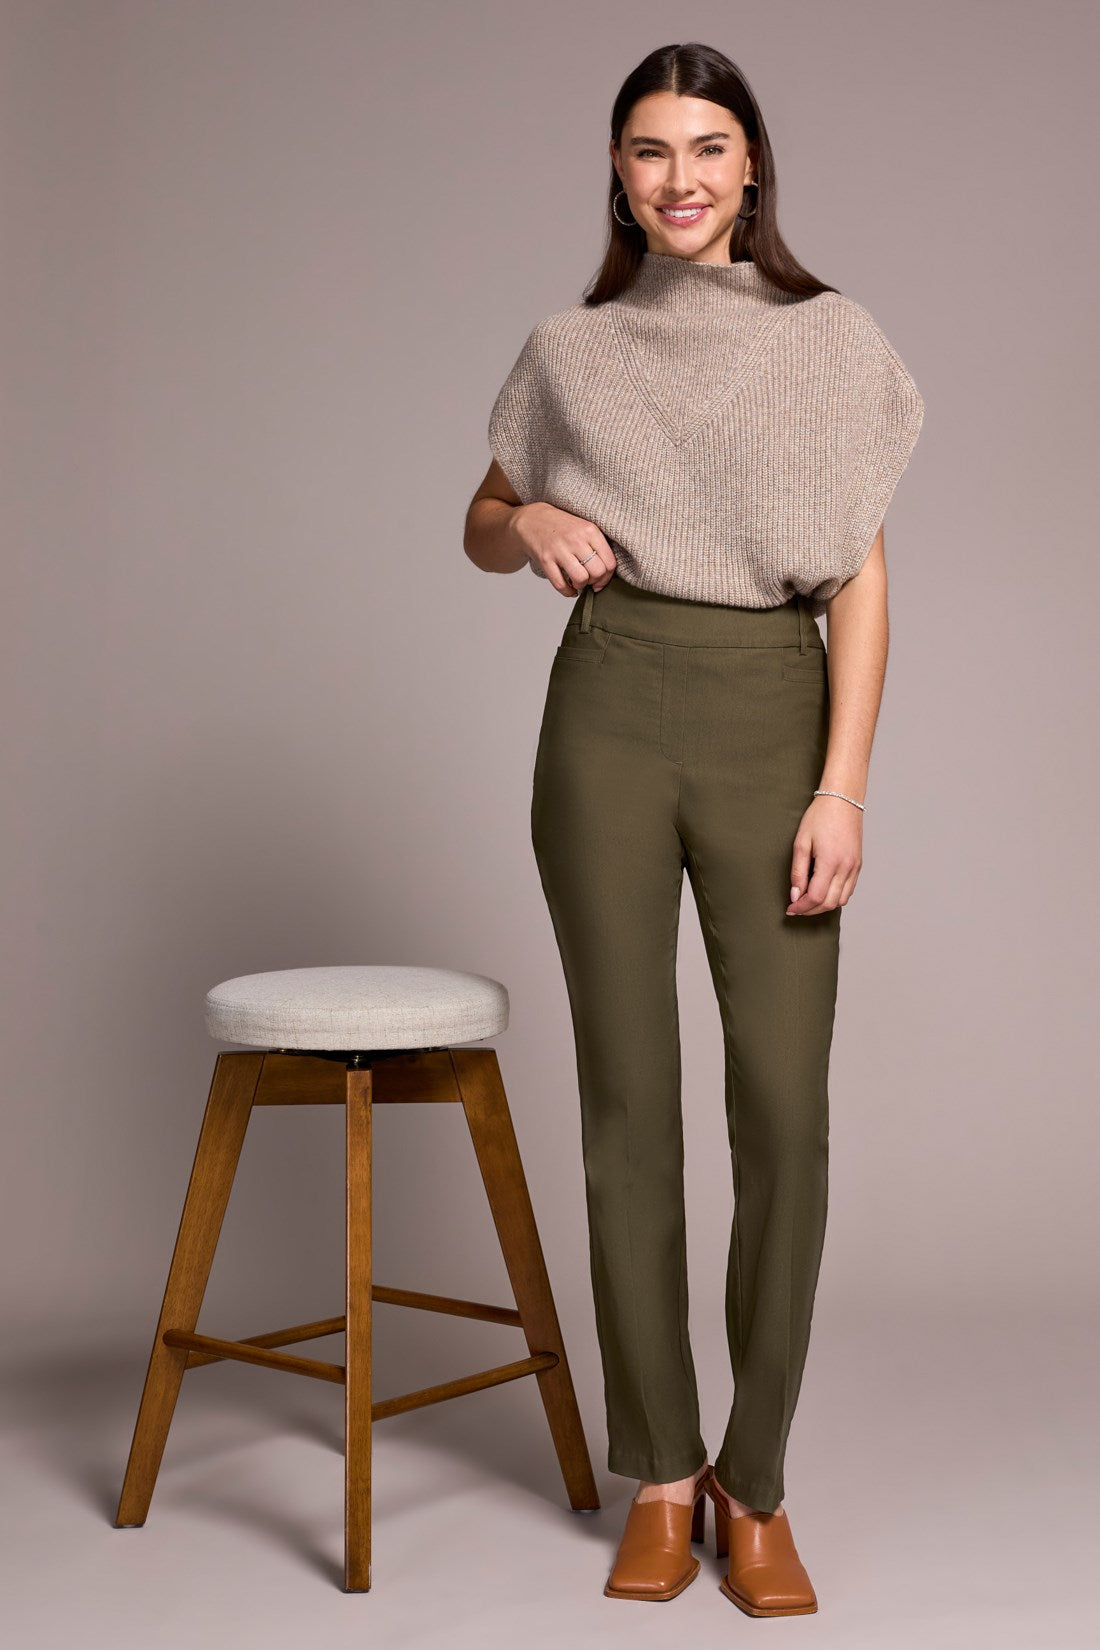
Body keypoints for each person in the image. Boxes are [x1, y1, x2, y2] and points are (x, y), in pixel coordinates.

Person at [464, 41, 923, 1617]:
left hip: (771, 710)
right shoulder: (571, 348)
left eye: (708, 147)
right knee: (628, 1103)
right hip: (605, 705)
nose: (681, 178)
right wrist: (528, 515)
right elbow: (481, 519)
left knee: (783, 1109)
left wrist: (842, 784)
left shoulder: (831, 339)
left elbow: (861, 580)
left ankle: (757, 1477)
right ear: (618, 171)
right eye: (651, 150)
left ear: (752, 165)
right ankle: (661, 1468)